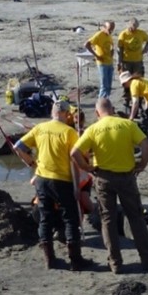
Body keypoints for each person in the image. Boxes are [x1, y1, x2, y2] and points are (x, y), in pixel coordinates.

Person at [70, 98, 148, 274]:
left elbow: (74, 153)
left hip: (104, 178)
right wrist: (142, 165)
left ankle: (115, 263)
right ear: (113, 109)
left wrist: (86, 167)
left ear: (97, 113)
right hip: (126, 177)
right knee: (136, 218)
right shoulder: (127, 124)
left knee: (107, 220)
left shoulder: (93, 129)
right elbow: (147, 146)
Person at [15, 100, 88, 271]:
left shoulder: (39, 128)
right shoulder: (69, 132)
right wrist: (78, 185)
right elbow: (77, 159)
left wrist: (31, 163)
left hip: (42, 179)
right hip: (62, 180)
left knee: (46, 218)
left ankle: (49, 259)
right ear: (64, 113)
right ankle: (75, 260)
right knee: (71, 218)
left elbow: (19, 146)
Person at [85, 20, 116, 99]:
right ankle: (100, 104)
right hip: (102, 63)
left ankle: (106, 102)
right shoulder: (99, 35)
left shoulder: (109, 35)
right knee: (104, 86)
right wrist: (96, 56)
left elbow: (111, 45)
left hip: (110, 62)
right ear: (104, 28)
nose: (111, 31)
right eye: (109, 29)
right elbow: (87, 44)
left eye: (112, 29)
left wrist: (112, 50)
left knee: (109, 86)